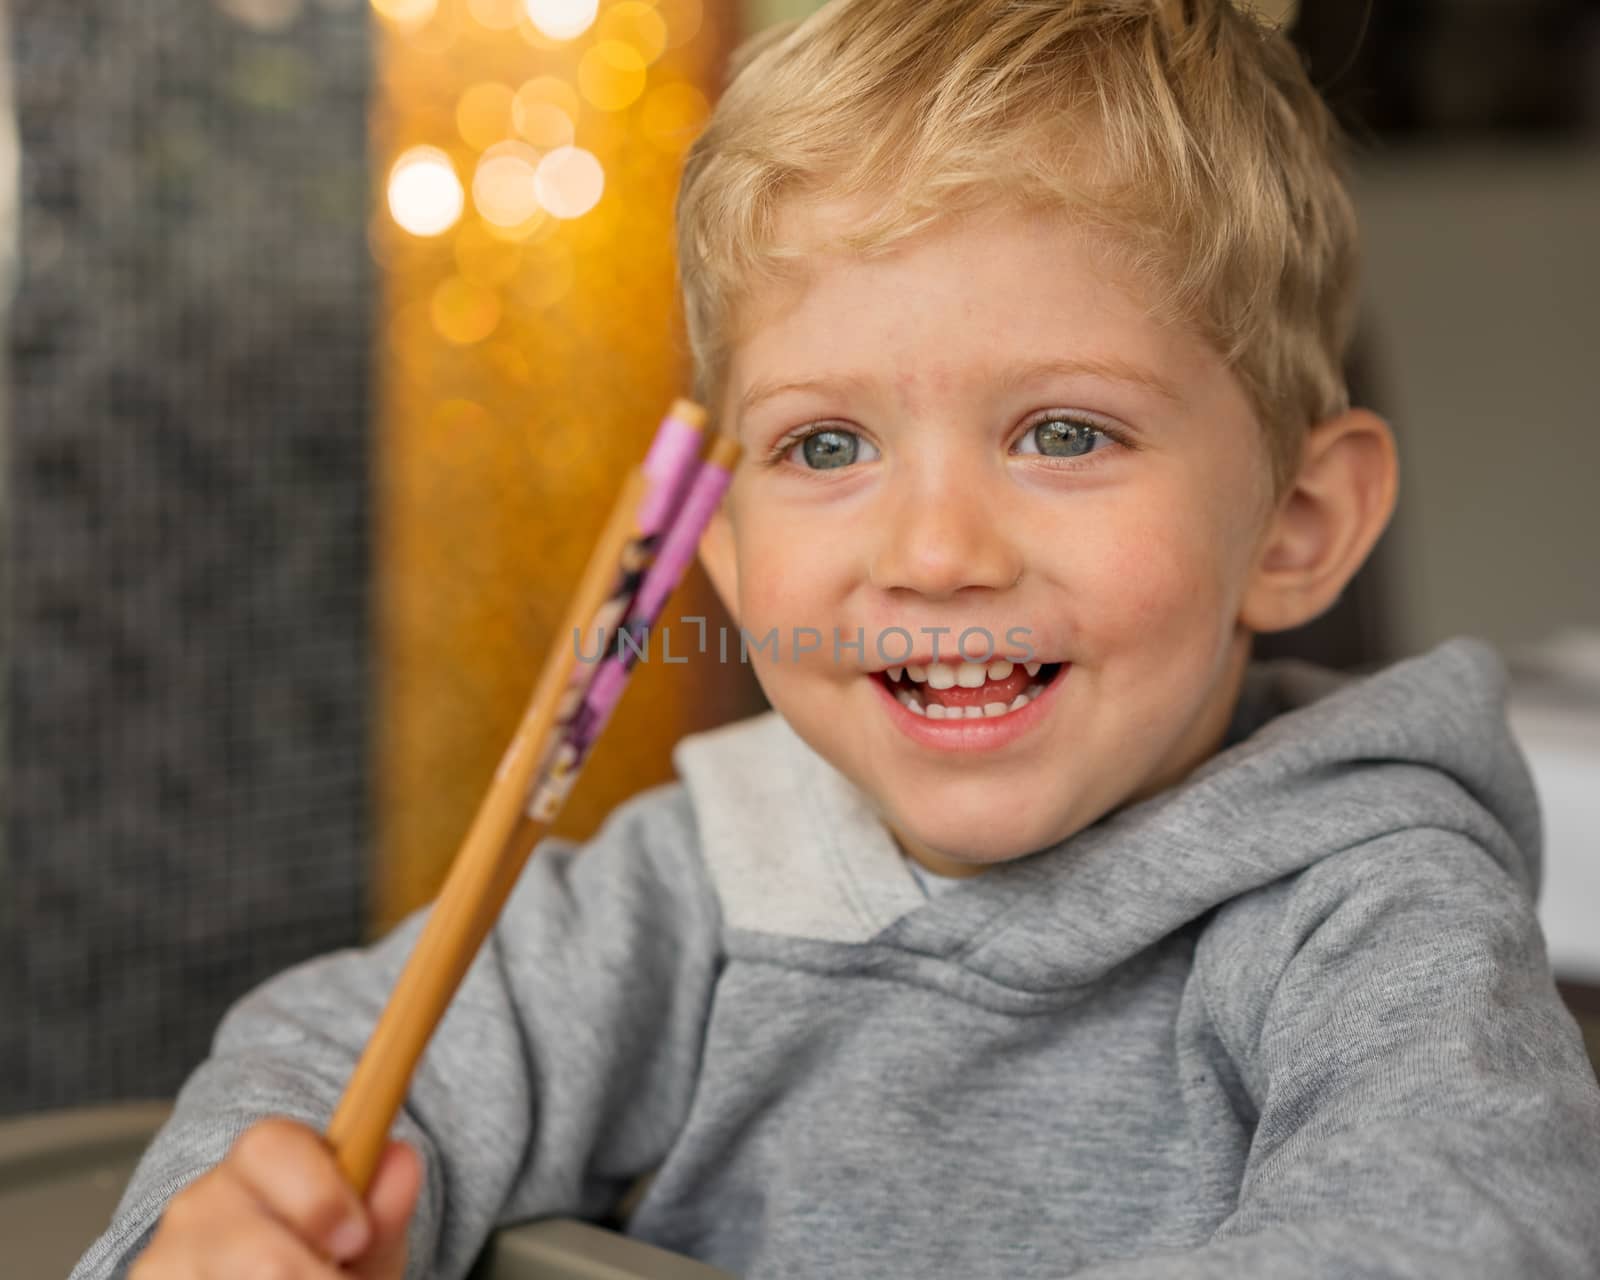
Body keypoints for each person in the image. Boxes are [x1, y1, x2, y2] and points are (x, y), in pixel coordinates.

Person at [74, 1, 1600, 1276]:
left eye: (1062, 431)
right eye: (823, 449)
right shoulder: (712, 881)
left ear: (1299, 526)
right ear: (719, 549)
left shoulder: (1369, 912)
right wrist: (226, 1222)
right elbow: (334, 1047)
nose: (934, 554)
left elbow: (1462, 1228)